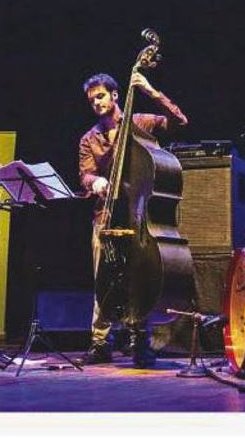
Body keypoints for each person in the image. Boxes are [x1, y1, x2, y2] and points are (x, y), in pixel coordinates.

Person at [77, 72, 188, 367]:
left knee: (140, 278)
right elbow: (85, 173)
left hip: (139, 217)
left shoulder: (139, 123)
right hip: (106, 215)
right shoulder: (89, 139)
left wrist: (151, 91)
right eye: (92, 100)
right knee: (104, 279)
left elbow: (179, 122)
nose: (96, 103)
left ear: (115, 95)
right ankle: (100, 342)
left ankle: (140, 341)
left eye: (101, 96)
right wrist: (94, 182)